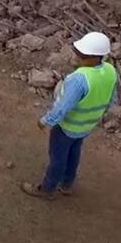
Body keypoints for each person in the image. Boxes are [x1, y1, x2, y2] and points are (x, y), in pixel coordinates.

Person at [22, 31, 117, 200]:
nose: (77, 56)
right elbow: (112, 99)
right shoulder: (110, 71)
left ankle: (47, 189)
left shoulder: (79, 79)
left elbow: (63, 108)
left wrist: (46, 121)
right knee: (74, 152)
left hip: (67, 126)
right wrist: (97, 115)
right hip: (87, 125)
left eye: (82, 55)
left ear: (96, 57)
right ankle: (67, 184)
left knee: (57, 157)